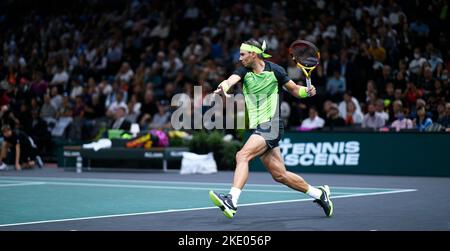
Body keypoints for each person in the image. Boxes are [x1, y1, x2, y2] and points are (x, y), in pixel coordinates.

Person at [209, 39, 333, 219]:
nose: (240, 58)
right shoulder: (244, 71)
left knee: (242, 155)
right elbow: (230, 80)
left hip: (271, 125)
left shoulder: (275, 70)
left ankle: (231, 200)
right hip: (259, 128)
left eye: (243, 54)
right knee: (280, 175)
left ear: (254, 54)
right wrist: (223, 87)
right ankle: (320, 194)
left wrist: (307, 91)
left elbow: (295, 90)